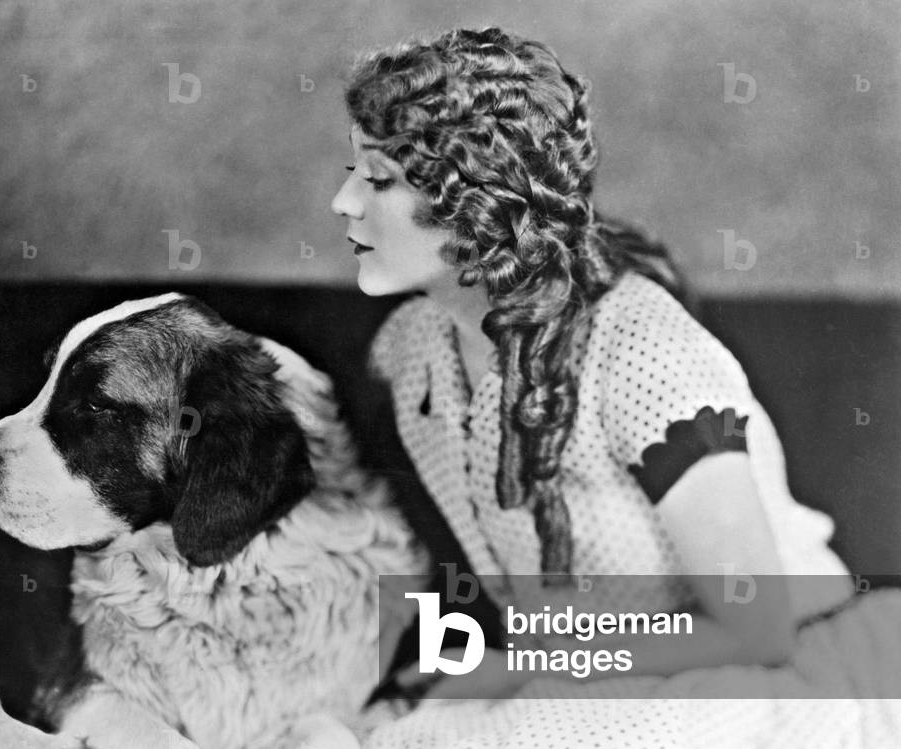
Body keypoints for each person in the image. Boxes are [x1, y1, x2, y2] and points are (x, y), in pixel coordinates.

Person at [330, 26, 901, 749]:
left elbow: (758, 627)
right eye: (353, 171)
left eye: (378, 179)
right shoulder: (411, 350)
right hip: (584, 668)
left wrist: (526, 665)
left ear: (482, 200)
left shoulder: (649, 361)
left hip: (761, 662)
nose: (343, 202)